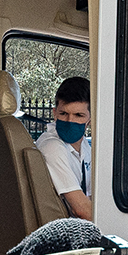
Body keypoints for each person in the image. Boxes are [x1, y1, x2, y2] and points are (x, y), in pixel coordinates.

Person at [35, 75, 92, 220]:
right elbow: (81, 210)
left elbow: (91, 196)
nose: (70, 121)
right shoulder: (53, 147)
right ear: (55, 114)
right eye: (63, 114)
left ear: (90, 119)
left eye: (78, 115)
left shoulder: (84, 146)